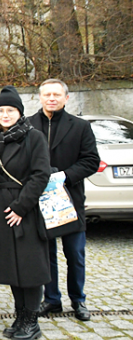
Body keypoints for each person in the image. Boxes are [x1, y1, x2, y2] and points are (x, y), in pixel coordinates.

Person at [0, 86, 51, 340]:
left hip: (25, 211)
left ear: (20, 112)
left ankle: (31, 321)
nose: (5, 114)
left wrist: (22, 207)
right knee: (11, 266)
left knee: (30, 266)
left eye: (10, 110)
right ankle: (20, 315)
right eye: (0, 110)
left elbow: (40, 174)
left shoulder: (34, 137)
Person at [29, 79, 100, 322]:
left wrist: (65, 176)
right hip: (39, 201)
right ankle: (51, 300)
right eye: (47, 94)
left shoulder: (80, 126)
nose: (52, 98)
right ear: (39, 97)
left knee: (75, 254)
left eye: (56, 94)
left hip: (70, 199)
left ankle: (78, 300)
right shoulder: (28, 125)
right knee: (45, 254)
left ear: (66, 98)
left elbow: (91, 160)